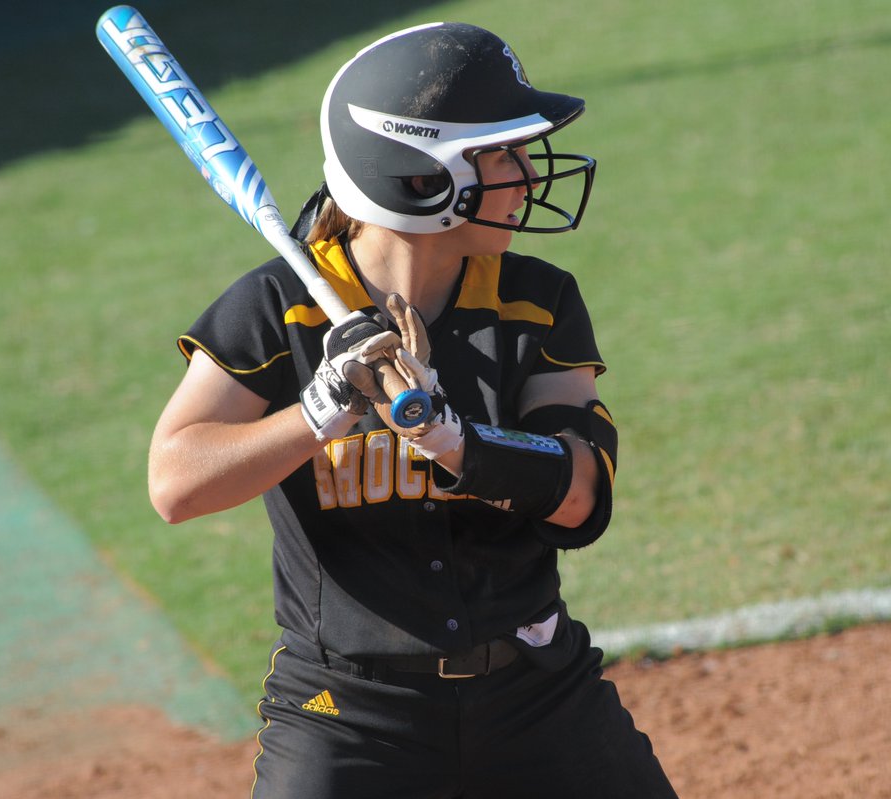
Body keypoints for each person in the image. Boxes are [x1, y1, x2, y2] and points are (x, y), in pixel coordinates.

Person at [148, 21, 677, 798]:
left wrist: (454, 439)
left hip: (537, 692)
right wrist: (318, 409)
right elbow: (175, 483)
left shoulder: (537, 300)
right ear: (423, 176)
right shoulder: (280, 310)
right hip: (346, 709)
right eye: (504, 154)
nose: (529, 176)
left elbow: (581, 495)